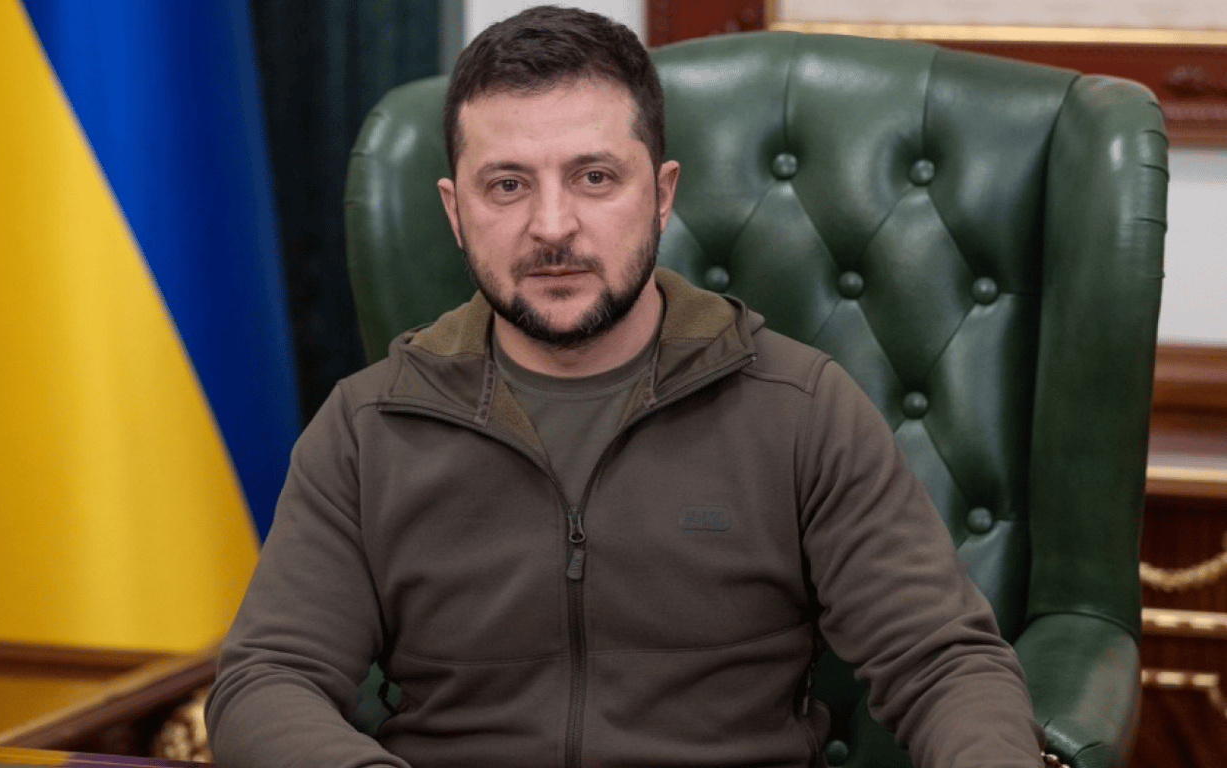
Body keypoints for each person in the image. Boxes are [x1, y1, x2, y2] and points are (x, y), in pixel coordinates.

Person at [205, 6, 1046, 767]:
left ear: (661, 195)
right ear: (456, 211)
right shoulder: (367, 426)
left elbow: (944, 665)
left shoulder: (802, 408)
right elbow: (268, 679)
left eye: (595, 177)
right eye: (508, 185)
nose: (553, 225)